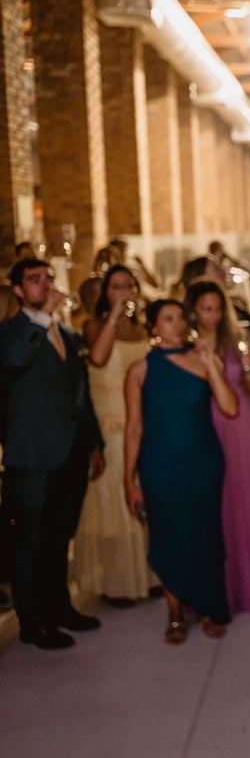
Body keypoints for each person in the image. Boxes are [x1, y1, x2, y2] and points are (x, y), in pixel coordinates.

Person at [0, 259, 106, 649]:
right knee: (30, 541)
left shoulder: (67, 333)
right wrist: (43, 316)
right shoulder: (9, 332)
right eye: (35, 280)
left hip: (71, 450)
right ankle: (31, 623)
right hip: (32, 454)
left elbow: (80, 394)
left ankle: (60, 608)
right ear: (17, 290)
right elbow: (15, 360)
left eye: (49, 279)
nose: (45, 285)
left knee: (60, 537)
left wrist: (94, 442)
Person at [124, 299, 237, 644]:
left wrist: (211, 365)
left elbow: (230, 408)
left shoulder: (204, 359)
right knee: (167, 535)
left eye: (180, 318)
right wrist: (128, 480)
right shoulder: (140, 369)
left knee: (204, 534)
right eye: (168, 318)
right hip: (159, 464)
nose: (177, 324)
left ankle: (205, 608)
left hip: (203, 462)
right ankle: (174, 612)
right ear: (154, 327)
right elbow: (134, 428)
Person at [186, 280, 250, 616]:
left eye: (217, 308)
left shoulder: (237, 338)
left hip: (241, 422)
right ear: (193, 311)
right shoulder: (185, 345)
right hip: (204, 424)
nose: (213, 315)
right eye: (206, 309)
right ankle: (219, 587)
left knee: (247, 499)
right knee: (215, 503)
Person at [74, 265, 153, 608]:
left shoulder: (143, 329)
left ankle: (151, 575)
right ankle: (117, 581)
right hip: (110, 426)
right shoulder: (93, 326)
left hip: (143, 425)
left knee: (147, 500)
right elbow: (98, 357)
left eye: (128, 286)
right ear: (106, 292)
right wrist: (114, 316)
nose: (122, 291)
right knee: (114, 508)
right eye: (115, 286)